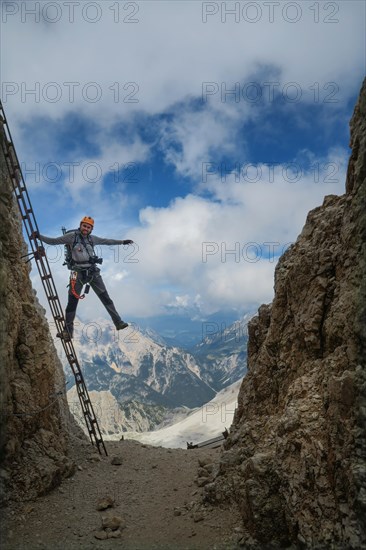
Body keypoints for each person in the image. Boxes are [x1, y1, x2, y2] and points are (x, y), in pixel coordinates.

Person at [39, 216, 133, 341]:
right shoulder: (71, 237)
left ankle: (118, 322)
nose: (86, 228)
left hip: (93, 272)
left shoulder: (92, 239)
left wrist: (122, 242)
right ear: (80, 225)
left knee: (105, 298)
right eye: (84, 226)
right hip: (77, 274)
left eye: (88, 227)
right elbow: (53, 241)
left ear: (91, 229)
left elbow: (107, 241)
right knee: (72, 303)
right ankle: (67, 332)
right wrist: (38, 236)